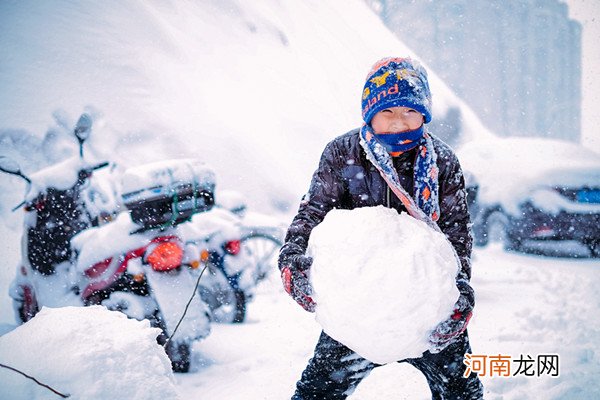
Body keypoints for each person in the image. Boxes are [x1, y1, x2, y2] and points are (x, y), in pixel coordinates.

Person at [278, 57, 484, 399]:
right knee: (316, 393)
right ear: (370, 112)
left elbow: (457, 233)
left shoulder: (443, 162)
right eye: (388, 112)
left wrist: (460, 293)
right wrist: (292, 260)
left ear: (424, 114)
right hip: (359, 306)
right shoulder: (343, 153)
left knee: (462, 391)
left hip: (429, 309)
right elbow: (312, 212)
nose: (398, 123)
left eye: (409, 111)